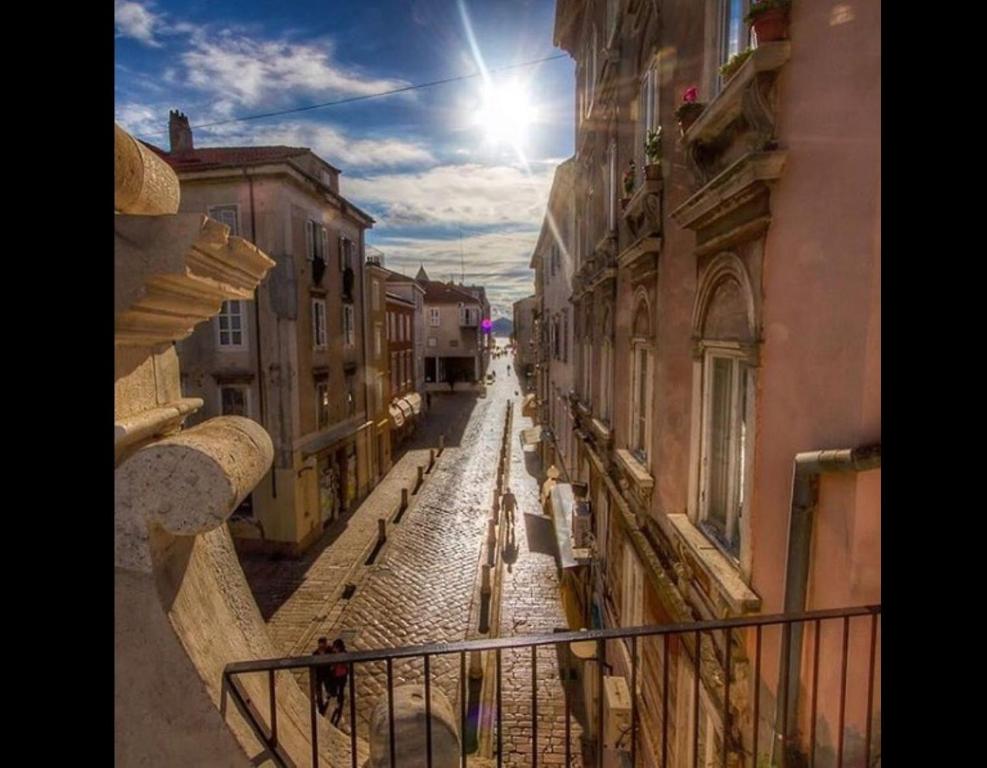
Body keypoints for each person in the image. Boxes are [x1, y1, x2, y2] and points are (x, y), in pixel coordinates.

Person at [328, 639, 349, 726]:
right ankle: (336, 698)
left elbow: (346, 665)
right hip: (336, 674)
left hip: (342, 675)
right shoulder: (333, 654)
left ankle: (340, 701)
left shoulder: (344, 654)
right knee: (335, 687)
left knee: (340, 689)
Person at [312, 637, 333, 715]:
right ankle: (320, 702)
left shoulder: (330, 651)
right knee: (318, 688)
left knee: (328, 686)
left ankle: (328, 695)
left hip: (327, 673)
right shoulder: (315, 653)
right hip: (319, 673)